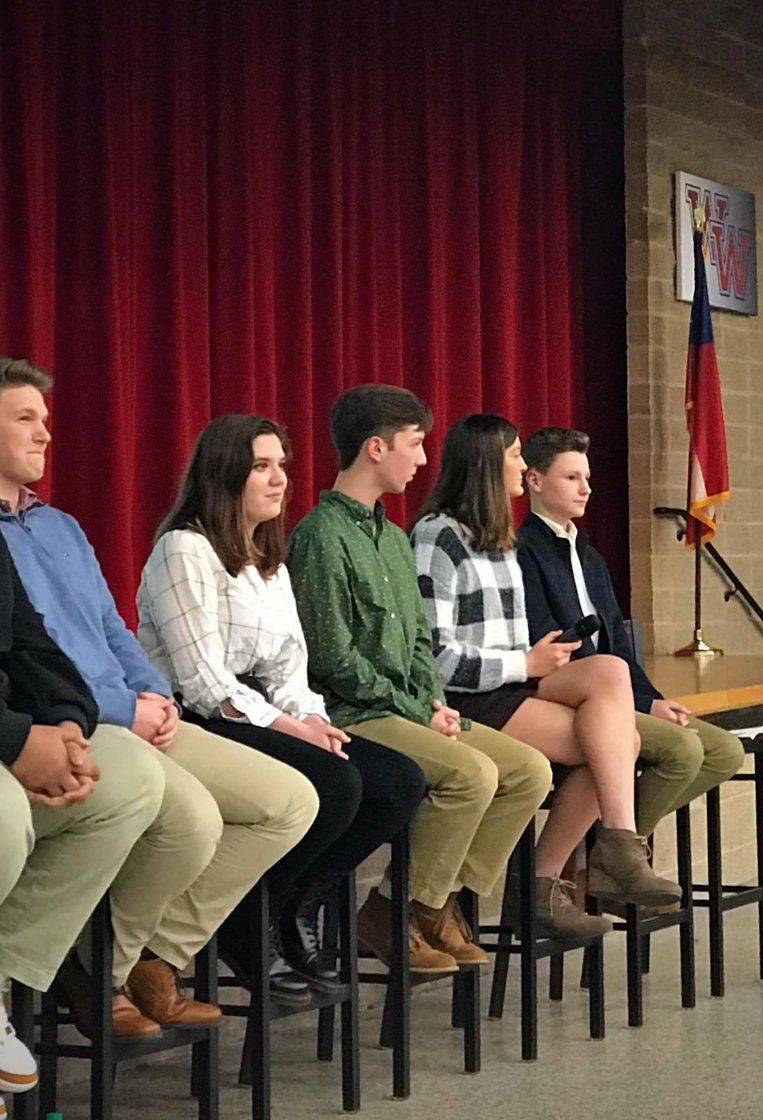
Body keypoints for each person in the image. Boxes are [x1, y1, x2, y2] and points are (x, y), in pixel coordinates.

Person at [0, 357, 319, 1036]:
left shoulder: (59, 527)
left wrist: (151, 694)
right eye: (25, 419)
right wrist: (123, 711)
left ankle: (146, 958)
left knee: (294, 800)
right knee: (191, 819)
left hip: (142, 713)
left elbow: (112, 627)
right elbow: (36, 660)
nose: (45, 435)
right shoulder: (181, 547)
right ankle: (92, 971)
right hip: (79, 720)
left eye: (46, 420)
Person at [136, 415, 428, 994]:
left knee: (397, 782)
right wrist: (289, 727)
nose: (279, 480)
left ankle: (294, 902)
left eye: (282, 466)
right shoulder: (185, 548)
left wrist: (312, 719)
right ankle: (251, 918)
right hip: (202, 716)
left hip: (270, 710)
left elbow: (291, 664)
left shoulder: (266, 558)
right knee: (337, 784)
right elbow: (204, 681)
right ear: (225, 474)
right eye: (262, 467)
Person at [287, 385, 556, 959]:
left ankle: (438, 903)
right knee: (472, 775)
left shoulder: (390, 536)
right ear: (376, 448)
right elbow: (333, 658)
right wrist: (416, 709)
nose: (424, 459)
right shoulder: (319, 536)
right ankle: (396, 909)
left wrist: (434, 702)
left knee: (530, 771)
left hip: (405, 707)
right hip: (354, 713)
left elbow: (417, 639)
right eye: (415, 444)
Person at [412, 413, 682, 930]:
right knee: (613, 743)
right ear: (489, 465)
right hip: (466, 695)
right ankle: (585, 864)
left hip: (512, 681)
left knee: (609, 690)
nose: (521, 466)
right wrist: (526, 662)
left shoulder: (499, 541)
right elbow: (435, 657)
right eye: (515, 457)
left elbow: (515, 644)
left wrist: (533, 657)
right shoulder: (437, 537)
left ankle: (583, 865)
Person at [518, 426, 743, 861]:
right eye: (572, 478)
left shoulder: (590, 557)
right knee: (680, 750)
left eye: (587, 478)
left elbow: (618, 647)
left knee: (723, 752)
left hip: (616, 694)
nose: (586, 488)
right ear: (535, 480)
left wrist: (650, 700)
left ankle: (606, 854)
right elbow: (551, 647)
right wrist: (626, 700)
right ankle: (611, 859)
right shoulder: (522, 552)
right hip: (571, 698)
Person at [0, 533, 165, 1099]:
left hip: (24, 723)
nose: (47, 435)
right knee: (3, 820)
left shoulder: (61, 526)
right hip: (8, 731)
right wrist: (17, 740)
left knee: (135, 783)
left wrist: (68, 720)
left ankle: (3, 975)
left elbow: (28, 641)